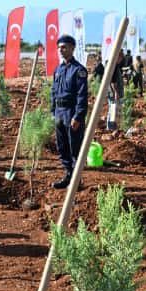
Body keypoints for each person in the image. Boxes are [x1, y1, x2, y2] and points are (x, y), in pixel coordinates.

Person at [50, 35, 88, 188]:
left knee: (75, 147)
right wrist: (53, 112)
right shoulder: (58, 69)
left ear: (72, 48)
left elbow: (82, 95)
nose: (61, 50)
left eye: (64, 47)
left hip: (71, 113)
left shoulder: (79, 70)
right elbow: (53, 92)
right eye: (59, 47)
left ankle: (77, 180)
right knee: (62, 146)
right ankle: (68, 175)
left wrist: (78, 116)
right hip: (59, 112)